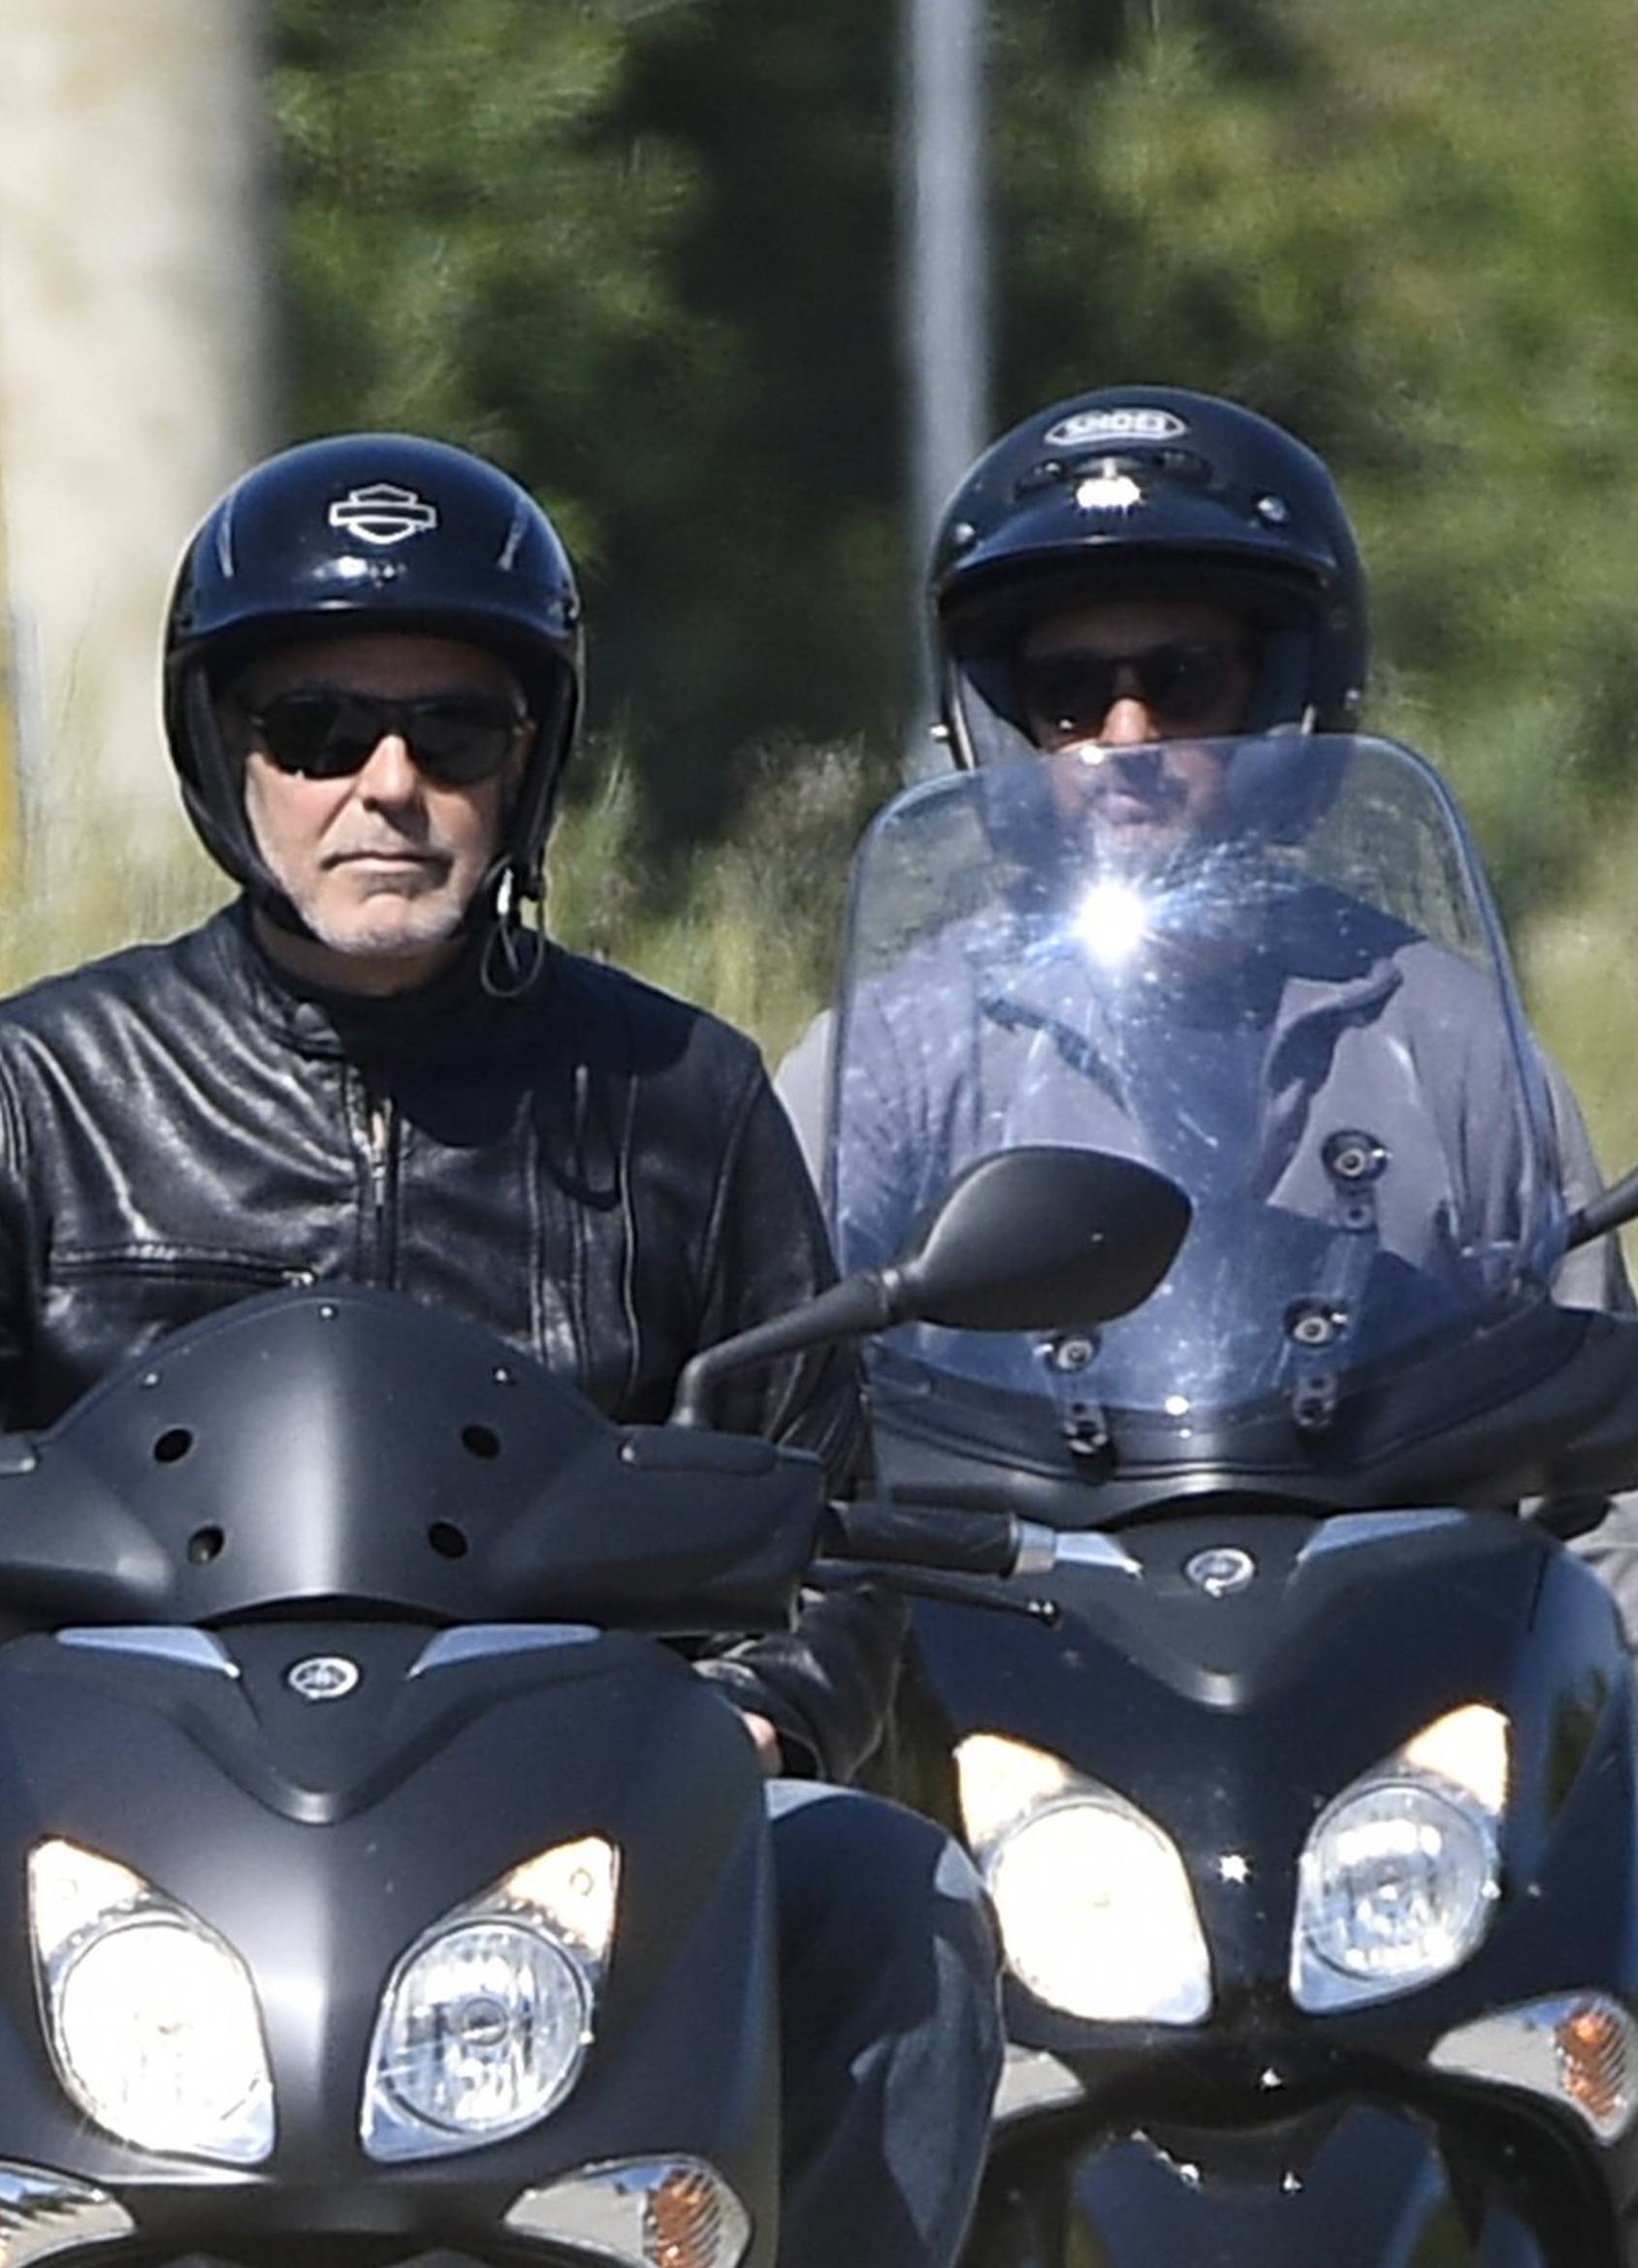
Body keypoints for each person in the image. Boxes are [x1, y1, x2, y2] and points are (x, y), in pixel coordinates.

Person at [0, 431, 1000, 2268]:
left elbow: (834, 1501)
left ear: (528, 756)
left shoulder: (674, 1096)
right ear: (227, 751)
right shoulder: (46, 1088)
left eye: (449, 732)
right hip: (115, 1854)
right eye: (315, 726)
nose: (383, 786)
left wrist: (755, 1719)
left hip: (559, 1850)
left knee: (883, 1885)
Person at [777, 383, 1626, 1324]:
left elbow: (1591, 1413)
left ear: (1281, 697)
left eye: (1183, 680)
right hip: (979, 1478)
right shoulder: (895, 1058)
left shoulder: (1450, 1043)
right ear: (1006, 726)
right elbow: (780, 1401)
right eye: (1069, 691)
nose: (1127, 735)